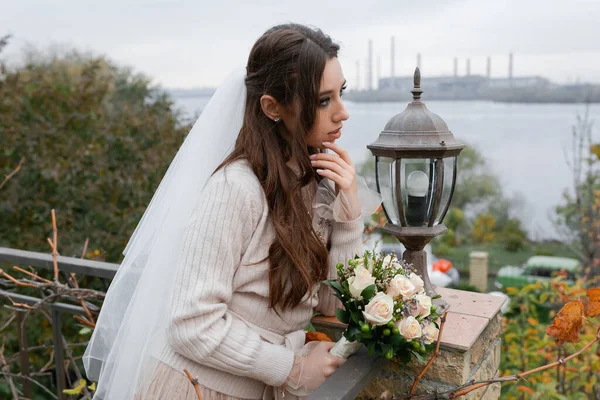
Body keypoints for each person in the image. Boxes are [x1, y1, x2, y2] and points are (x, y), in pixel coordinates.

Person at [84, 23, 380, 399]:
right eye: (323, 101)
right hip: (195, 389)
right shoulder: (235, 189)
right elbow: (191, 324)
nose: (343, 114)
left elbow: (332, 304)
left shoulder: (315, 184)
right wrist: (291, 367)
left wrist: (349, 213)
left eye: (341, 93)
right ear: (272, 107)